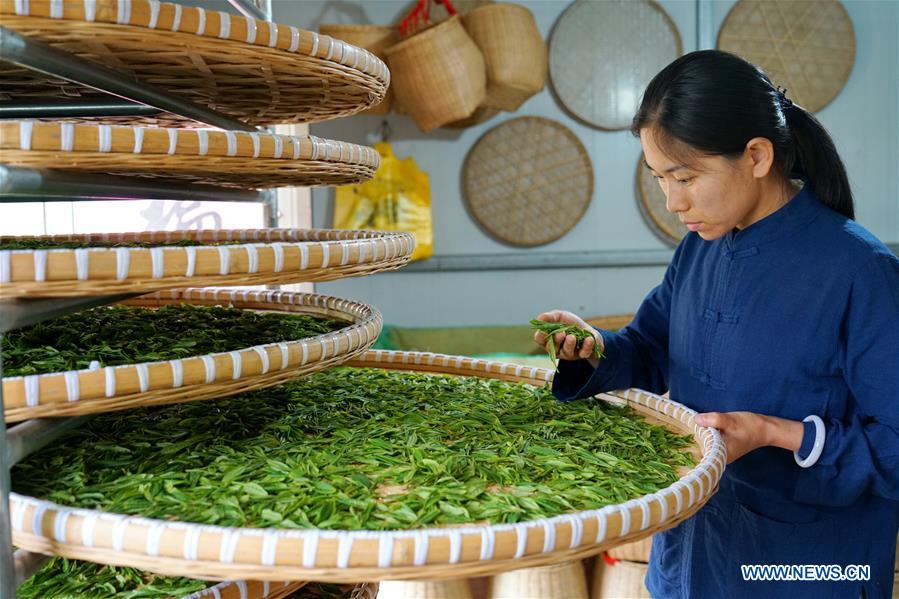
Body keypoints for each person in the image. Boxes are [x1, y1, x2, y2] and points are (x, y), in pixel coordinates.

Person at [533, 50, 899, 598]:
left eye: (684, 177)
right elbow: (651, 347)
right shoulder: (697, 250)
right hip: (691, 553)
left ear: (755, 156)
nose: (672, 202)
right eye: (660, 179)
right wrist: (592, 351)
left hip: (802, 568)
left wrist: (776, 434)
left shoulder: (860, 271)